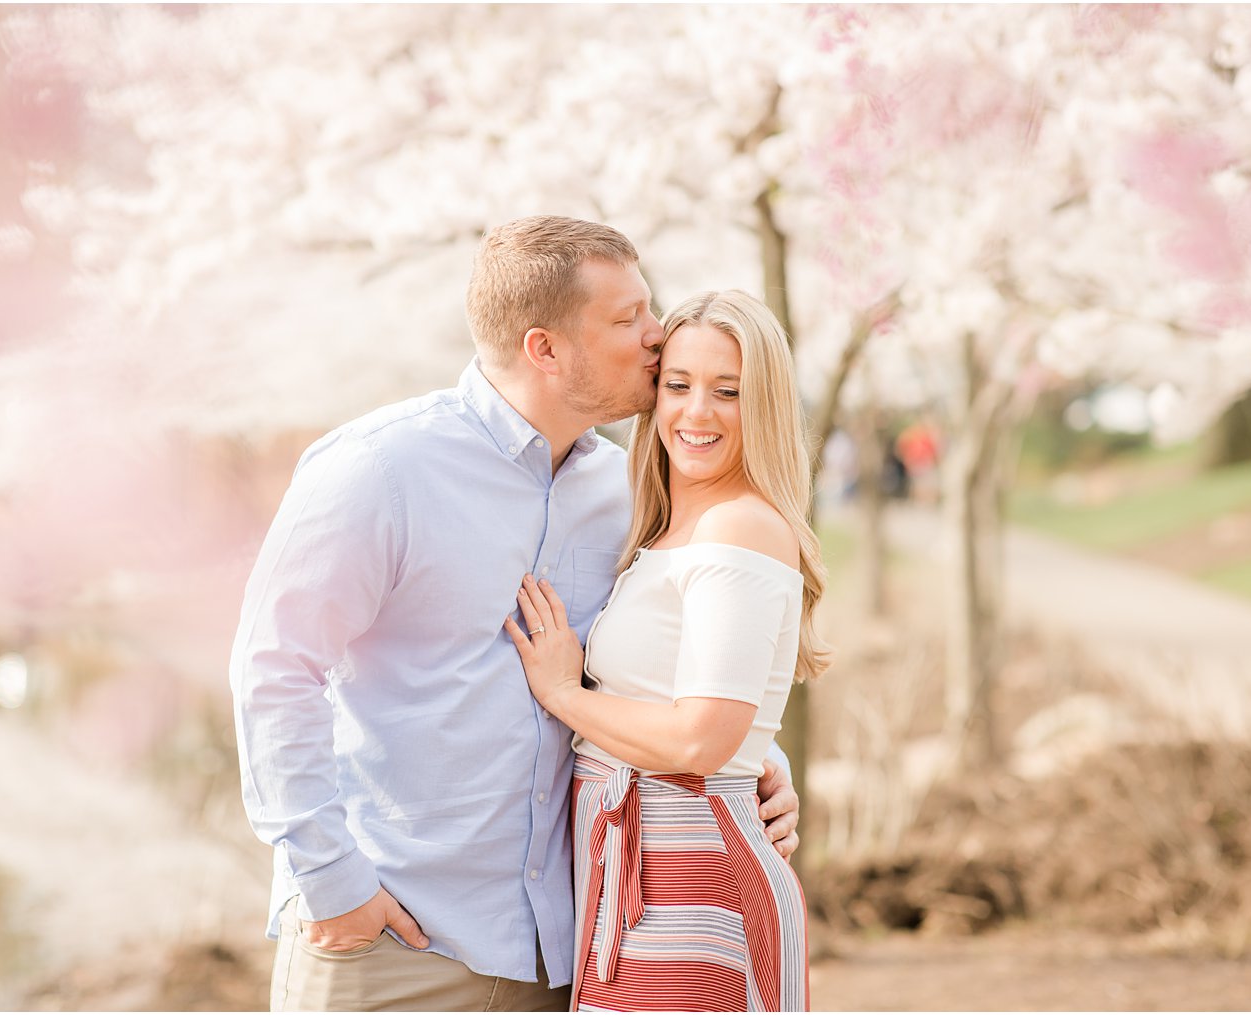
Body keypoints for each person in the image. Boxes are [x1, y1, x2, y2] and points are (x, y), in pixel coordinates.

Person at [229, 217, 801, 1012]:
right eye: (627, 317)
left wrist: (755, 767)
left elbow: (680, 662)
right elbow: (272, 671)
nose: (655, 335)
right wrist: (331, 883)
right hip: (397, 948)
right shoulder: (378, 469)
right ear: (546, 348)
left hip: (569, 955)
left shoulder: (627, 492)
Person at [506, 289, 829, 1012]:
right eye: (678, 385)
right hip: (641, 873)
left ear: (766, 404)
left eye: (728, 392)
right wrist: (766, 760)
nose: (696, 412)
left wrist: (564, 695)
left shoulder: (738, 529)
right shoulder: (677, 528)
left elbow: (700, 737)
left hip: (687, 876)